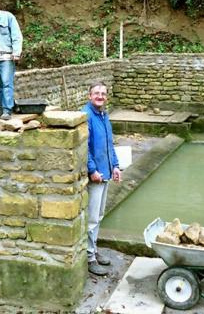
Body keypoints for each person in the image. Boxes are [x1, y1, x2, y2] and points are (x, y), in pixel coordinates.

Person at [82, 81, 122, 275]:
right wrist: (92, 170)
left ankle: (94, 250)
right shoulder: (87, 115)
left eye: (103, 94)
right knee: (91, 219)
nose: (100, 96)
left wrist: (115, 166)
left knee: (98, 216)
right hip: (96, 176)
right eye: (96, 93)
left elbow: (109, 144)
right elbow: (85, 146)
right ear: (89, 96)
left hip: (105, 172)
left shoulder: (104, 115)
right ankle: (89, 258)